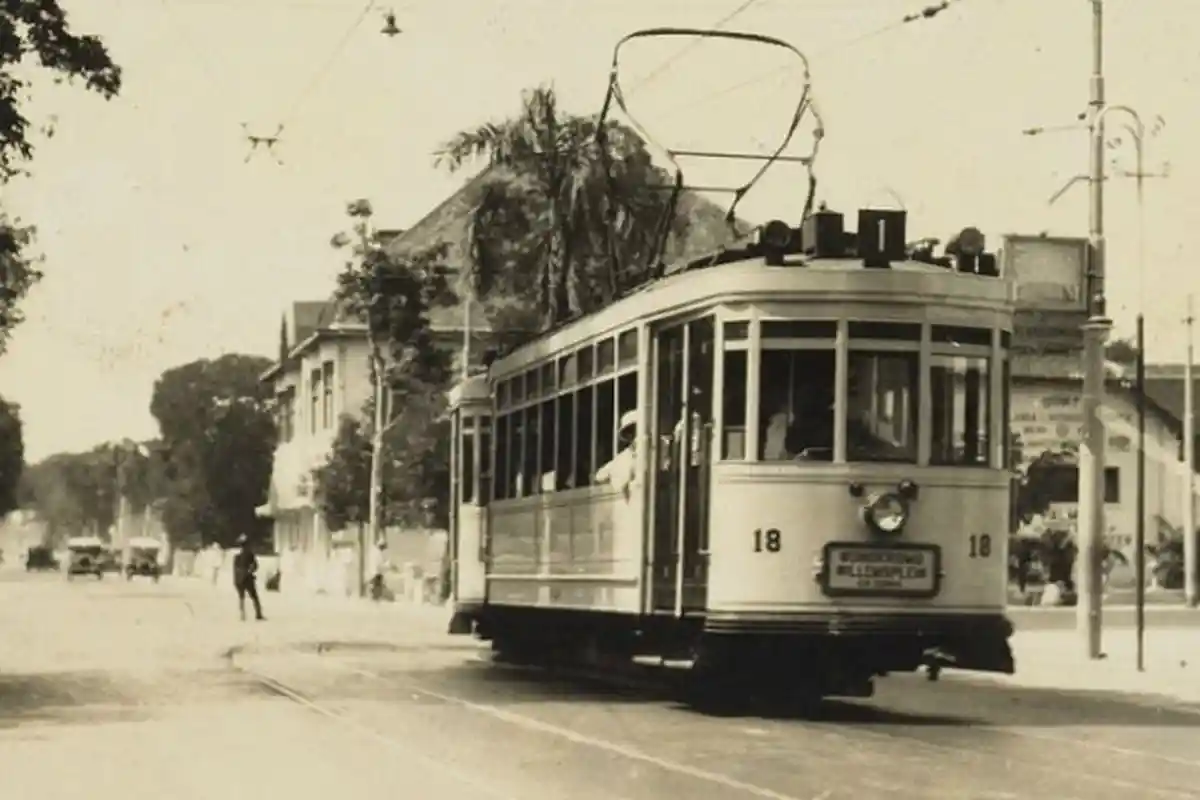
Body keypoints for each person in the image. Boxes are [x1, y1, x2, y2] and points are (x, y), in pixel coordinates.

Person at [233, 534, 265, 621]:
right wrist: (250, 571)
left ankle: (242, 614)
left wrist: (236, 580)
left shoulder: (236, 556)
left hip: (239, 579)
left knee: (241, 597)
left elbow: (235, 569)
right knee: (254, 596)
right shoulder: (250, 554)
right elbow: (255, 566)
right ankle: (258, 614)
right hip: (247, 578)